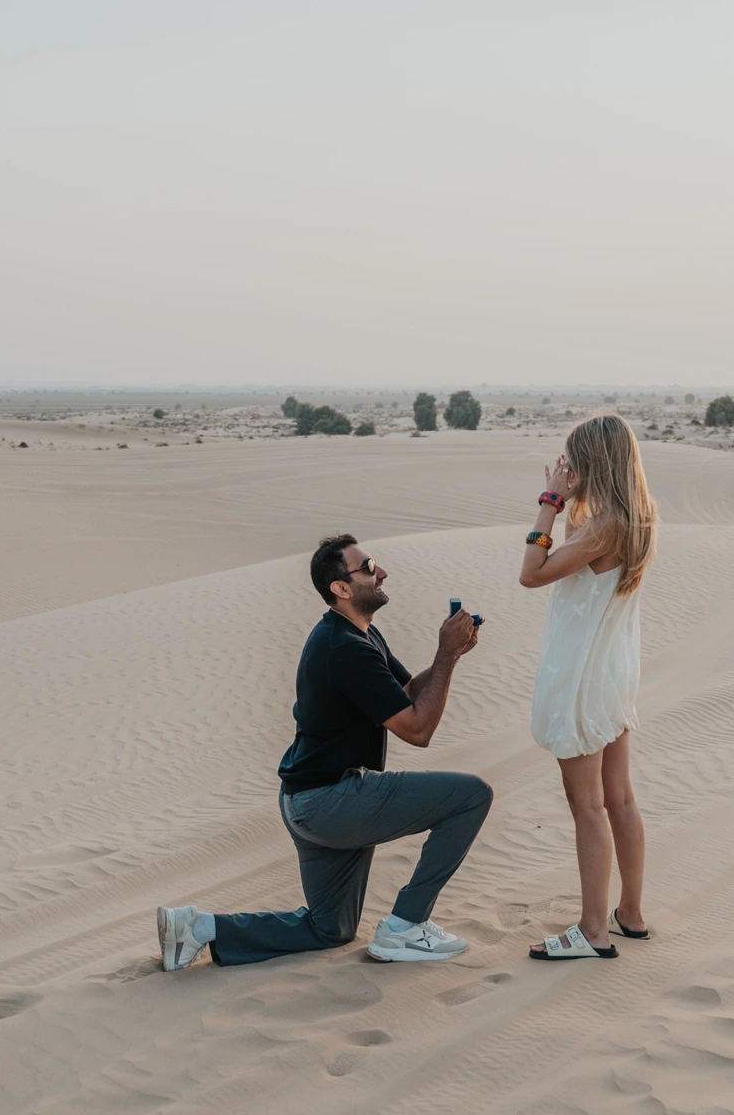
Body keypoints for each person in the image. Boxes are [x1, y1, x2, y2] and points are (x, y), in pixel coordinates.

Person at [157, 534, 491, 969]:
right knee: (472, 797)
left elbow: (406, 694)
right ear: (342, 588)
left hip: (306, 801)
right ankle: (407, 926)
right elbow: (418, 729)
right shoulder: (346, 648)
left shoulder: (356, 635)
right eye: (369, 566)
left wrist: (452, 655)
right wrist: (445, 657)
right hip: (332, 800)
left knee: (329, 928)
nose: (382, 571)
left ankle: (199, 928)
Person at [519, 413, 657, 960]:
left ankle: (593, 930)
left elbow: (532, 572)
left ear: (592, 463)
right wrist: (572, 499)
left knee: (589, 806)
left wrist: (549, 500)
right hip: (611, 676)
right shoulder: (635, 519)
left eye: (574, 458)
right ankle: (631, 913)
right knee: (619, 798)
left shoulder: (604, 527)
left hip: (580, 678)